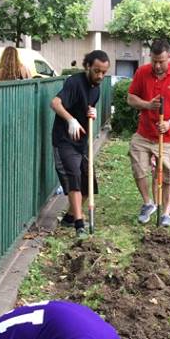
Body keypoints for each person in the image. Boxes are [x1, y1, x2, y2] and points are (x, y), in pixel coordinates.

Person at [127, 39, 170, 227]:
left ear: (169, 57)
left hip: (169, 137)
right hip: (144, 134)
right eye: (154, 60)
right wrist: (147, 105)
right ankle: (148, 204)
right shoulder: (142, 72)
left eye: (161, 61)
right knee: (138, 168)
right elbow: (130, 98)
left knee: (167, 175)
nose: (157, 65)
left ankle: (165, 213)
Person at [50, 50, 111, 238]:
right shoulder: (74, 83)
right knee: (74, 178)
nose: (100, 76)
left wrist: (90, 113)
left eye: (103, 72)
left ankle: (69, 218)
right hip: (64, 141)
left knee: (88, 184)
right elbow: (55, 103)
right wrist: (70, 120)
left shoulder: (97, 88)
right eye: (96, 71)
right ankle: (79, 225)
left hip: (81, 143)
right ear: (87, 67)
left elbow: (87, 108)